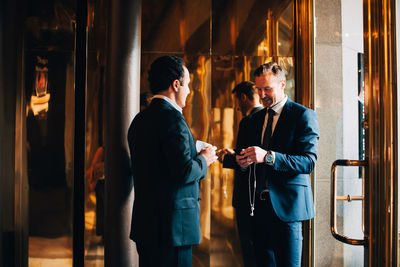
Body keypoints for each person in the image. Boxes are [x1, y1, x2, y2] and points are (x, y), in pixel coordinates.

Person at [127, 55, 217, 267]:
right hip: (173, 230)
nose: (189, 91)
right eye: (188, 85)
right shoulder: (173, 119)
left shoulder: (140, 119)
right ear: (176, 84)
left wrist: (192, 151)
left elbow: (157, 163)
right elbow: (183, 172)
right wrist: (205, 159)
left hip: (147, 225)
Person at [234, 62, 319, 266]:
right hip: (257, 209)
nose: (262, 94)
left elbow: (308, 162)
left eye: (267, 89)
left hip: (287, 210)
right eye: (259, 89)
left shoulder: (302, 115)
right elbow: (250, 163)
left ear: (282, 84)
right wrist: (243, 162)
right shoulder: (255, 120)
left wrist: (269, 157)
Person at [217, 81, 263, 267]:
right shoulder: (268, 118)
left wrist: (224, 158)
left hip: (247, 198)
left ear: (243, 98)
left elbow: (245, 160)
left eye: (236, 101)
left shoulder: (249, 121)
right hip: (263, 197)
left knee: (249, 248)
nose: (236, 107)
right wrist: (234, 152)